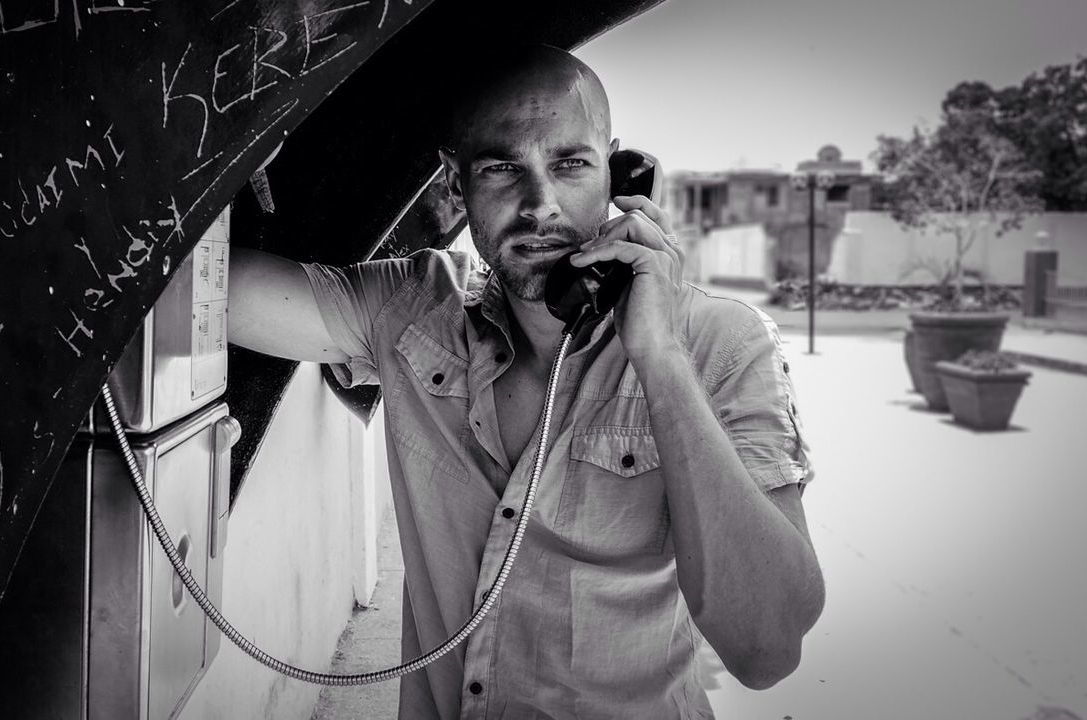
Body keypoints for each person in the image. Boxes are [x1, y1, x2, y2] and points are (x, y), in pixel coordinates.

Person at [227, 44, 824, 719]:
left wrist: (659, 357)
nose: (540, 205)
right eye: (504, 168)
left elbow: (766, 649)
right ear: (455, 185)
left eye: (570, 164)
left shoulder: (720, 343)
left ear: (617, 175)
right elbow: (217, 292)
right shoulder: (410, 310)